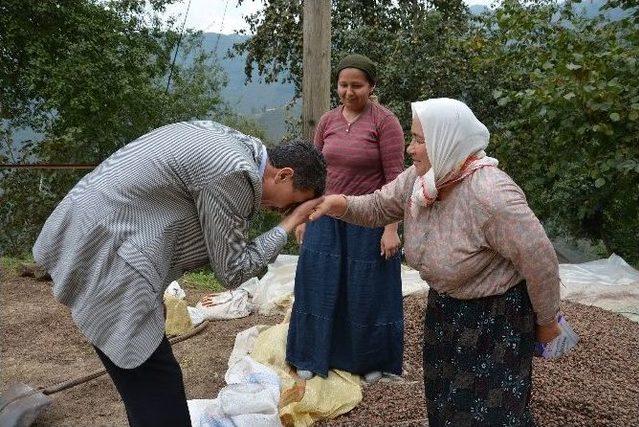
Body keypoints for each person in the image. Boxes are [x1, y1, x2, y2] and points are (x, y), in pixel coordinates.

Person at [32, 120, 326, 427]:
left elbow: (162, 205)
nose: (278, 210)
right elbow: (234, 269)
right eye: (290, 204)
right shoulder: (234, 172)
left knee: (149, 381)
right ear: (283, 174)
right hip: (108, 251)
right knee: (156, 382)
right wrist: (290, 223)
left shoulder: (234, 142)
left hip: (88, 227)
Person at [310, 98, 568, 425]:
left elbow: (541, 260)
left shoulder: (490, 194)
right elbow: (379, 207)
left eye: (419, 140)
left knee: (490, 414)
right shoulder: (423, 180)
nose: (409, 149)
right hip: (445, 312)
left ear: (447, 142)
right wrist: (338, 203)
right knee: (445, 405)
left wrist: (546, 322)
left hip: (494, 320)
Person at [286, 53, 405, 382]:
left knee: (367, 291)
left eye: (357, 85)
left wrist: (391, 229)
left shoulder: (385, 122)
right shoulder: (327, 122)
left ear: (371, 86)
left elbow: (397, 181)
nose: (349, 92)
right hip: (325, 215)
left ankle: (371, 362)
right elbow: (312, 174)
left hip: (368, 219)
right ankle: (310, 355)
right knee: (317, 285)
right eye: (343, 85)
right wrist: (304, 218)